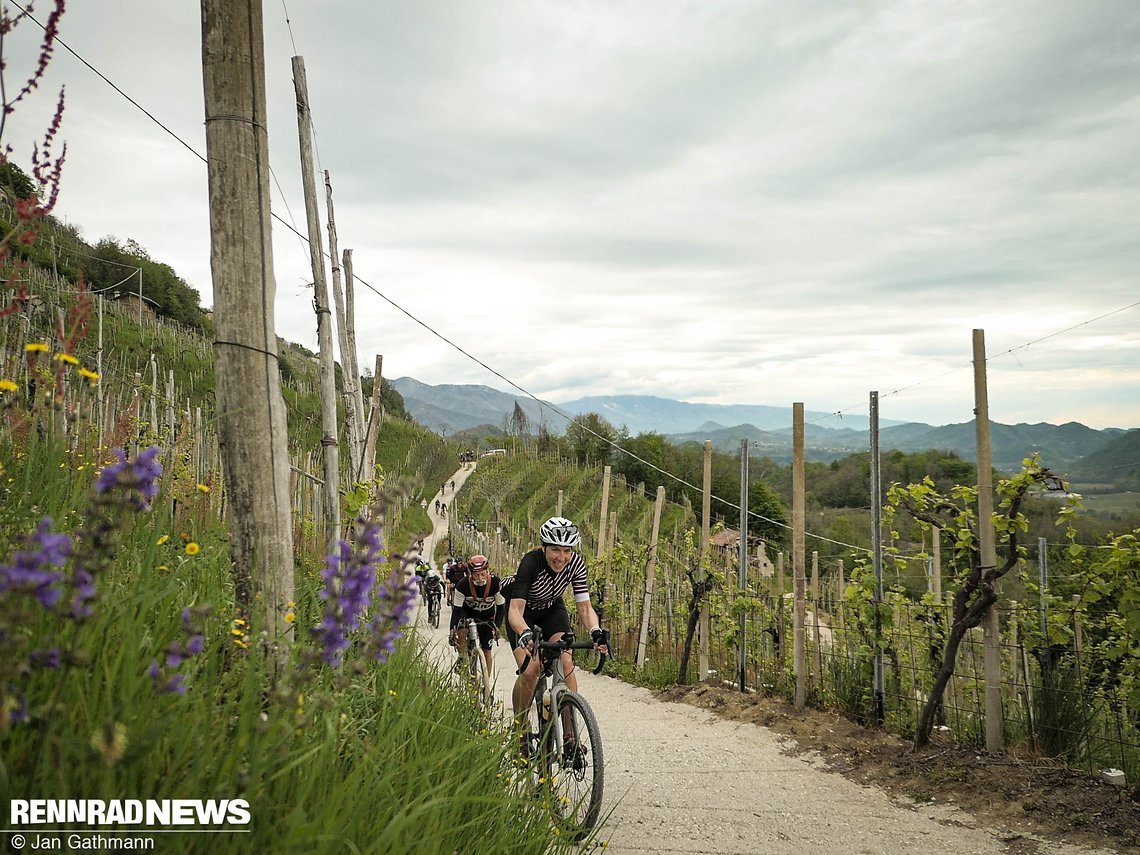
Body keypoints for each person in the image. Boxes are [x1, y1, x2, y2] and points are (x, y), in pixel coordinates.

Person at [500, 516, 609, 757]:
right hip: (523, 610)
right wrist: (525, 633)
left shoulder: (576, 564)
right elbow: (515, 611)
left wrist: (596, 632)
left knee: (566, 659)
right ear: (544, 547)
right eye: (555, 550)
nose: (561, 557)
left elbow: (584, 607)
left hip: (551, 608)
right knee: (531, 670)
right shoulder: (531, 562)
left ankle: (570, 734)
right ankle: (520, 730)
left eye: (567, 550)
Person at [450, 554, 504, 673]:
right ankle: (462, 657)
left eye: (482, 574)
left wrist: (497, 627)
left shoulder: (496, 584)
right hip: (467, 614)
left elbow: (501, 608)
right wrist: (452, 630)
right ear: (470, 574)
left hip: (487, 616)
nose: (480, 578)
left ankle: (487, 684)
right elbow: (456, 611)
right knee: (461, 632)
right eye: (476, 575)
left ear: (487, 571)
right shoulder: (462, 585)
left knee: (487, 651)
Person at [444, 557, 469, 639]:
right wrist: (450, 582)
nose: (459, 565)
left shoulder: (465, 567)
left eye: (461, 563)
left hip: (461, 582)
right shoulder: (452, 568)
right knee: (452, 591)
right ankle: (451, 600)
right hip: (454, 582)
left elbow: (468, 574)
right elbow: (448, 575)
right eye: (458, 563)